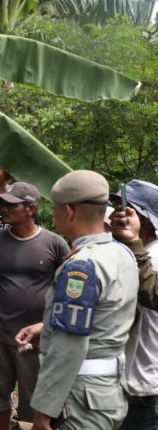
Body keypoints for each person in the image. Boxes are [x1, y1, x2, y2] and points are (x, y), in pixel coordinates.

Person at [15, 170, 138, 430]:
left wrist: (43, 410)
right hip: (107, 393)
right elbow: (103, 318)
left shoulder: (81, 265)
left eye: (57, 208)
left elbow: (69, 346)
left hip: (79, 398)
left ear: (69, 211)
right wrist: (45, 327)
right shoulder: (122, 253)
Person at [0, 182, 69, 429]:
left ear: (31, 208)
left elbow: (63, 289)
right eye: (3, 203)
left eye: (11, 205)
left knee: (35, 401)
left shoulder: (55, 244)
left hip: (35, 339)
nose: (4, 208)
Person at [108, 180, 158, 430]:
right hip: (126, 381)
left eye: (126, 209)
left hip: (146, 385)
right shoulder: (128, 251)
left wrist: (133, 243)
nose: (117, 213)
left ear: (143, 218)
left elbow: (152, 295)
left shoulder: (154, 255)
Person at [111, 201, 158, 311]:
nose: (111, 217)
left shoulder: (154, 257)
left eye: (120, 212)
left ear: (140, 219)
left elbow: (151, 294)